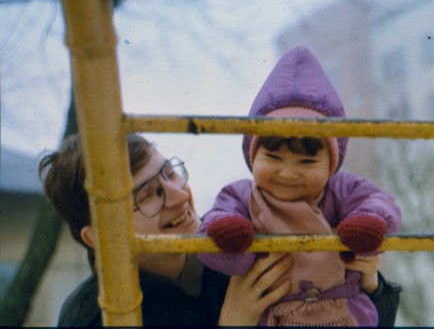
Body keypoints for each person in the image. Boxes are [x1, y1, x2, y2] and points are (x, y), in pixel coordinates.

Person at [198, 46, 402, 326]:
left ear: (331, 163)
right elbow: (215, 230)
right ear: (252, 154)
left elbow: (379, 203)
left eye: (306, 161)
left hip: (344, 310)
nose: (288, 172)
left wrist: (366, 222)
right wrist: (231, 238)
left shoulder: (341, 188)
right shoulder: (242, 196)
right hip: (274, 315)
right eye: (273, 156)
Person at [39, 133, 293, 326]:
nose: (180, 196)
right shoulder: (93, 318)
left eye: (170, 174)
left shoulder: (240, 254)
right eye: (147, 194)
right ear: (97, 237)